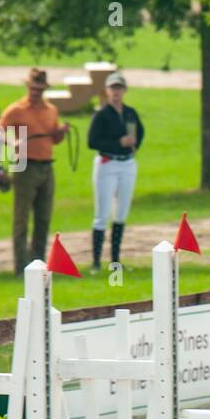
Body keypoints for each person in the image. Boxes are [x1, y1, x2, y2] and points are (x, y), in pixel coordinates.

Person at [0, 69, 69, 274]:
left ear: (44, 89)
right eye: (33, 88)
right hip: (25, 166)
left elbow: (54, 139)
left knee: (43, 218)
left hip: (46, 166)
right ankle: (21, 266)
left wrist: (60, 133)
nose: (36, 92)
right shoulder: (16, 109)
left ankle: (37, 263)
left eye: (39, 89)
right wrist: (12, 142)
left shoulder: (51, 110)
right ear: (28, 87)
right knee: (22, 218)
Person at [86, 71, 143, 272]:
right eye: (113, 89)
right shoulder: (102, 115)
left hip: (127, 163)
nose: (116, 92)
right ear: (107, 91)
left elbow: (140, 132)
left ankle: (116, 260)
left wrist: (135, 143)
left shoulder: (130, 113)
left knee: (121, 212)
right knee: (102, 212)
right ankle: (95, 261)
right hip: (107, 162)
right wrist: (117, 142)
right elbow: (92, 141)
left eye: (119, 88)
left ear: (124, 91)